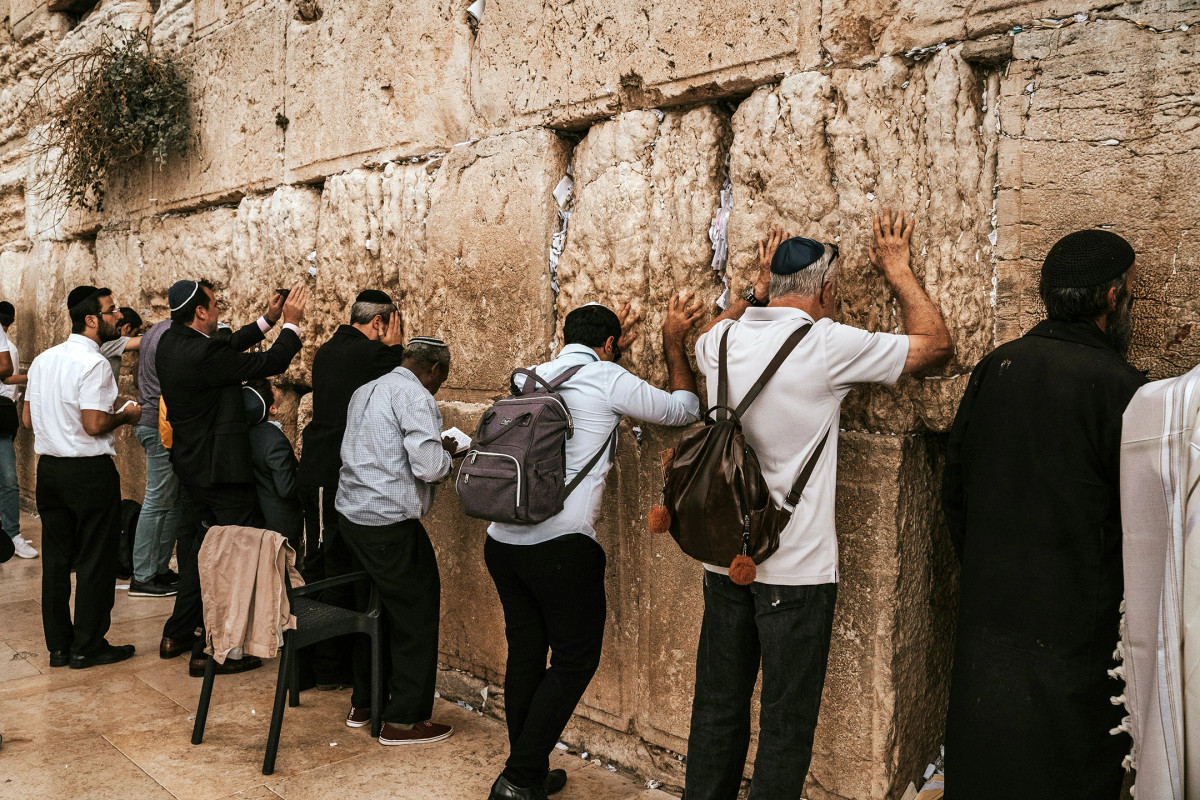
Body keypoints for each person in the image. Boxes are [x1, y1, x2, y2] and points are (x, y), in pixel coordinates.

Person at [684, 210, 952, 799]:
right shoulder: (826, 344)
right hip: (796, 569)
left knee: (717, 710)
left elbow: (707, 332)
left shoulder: (720, 342)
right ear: (828, 290)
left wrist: (751, 295)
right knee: (786, 723)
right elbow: (936, 346)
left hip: (723, 558)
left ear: (772, 285)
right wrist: (899, 271)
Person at [942, 229, 1146, 800]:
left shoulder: (996, 367)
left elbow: (954, 490)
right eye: (1131, 291)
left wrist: (985, 566)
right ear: (1110, 298)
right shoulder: (1125, 389)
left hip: (992, 609)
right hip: (1077, 623)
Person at [485, 296, 707, 800]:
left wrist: (608, 351)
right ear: (609, 344)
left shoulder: (529, 376)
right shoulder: (607, 378)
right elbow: (682, 409)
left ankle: (528, 771)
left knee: (526, 655)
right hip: (560, 547)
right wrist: (672, 339)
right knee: (574, 660)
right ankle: (519, 778)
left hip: (502, 541)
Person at [156, 278, 308, 678]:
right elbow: (271, 363)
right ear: (201, 312)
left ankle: (176, 633)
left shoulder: (171, 342)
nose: (220, 311)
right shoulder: (202, 355)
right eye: (215, 305)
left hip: (191, 469)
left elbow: (224, 346)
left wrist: (268, 320)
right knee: (232, 556)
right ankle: (210, 650)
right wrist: (291, 325)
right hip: (220, 473)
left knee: (195, 554)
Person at [335, 337, 456, 746]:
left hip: (352, 518)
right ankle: (404, 720)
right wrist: (448, 455)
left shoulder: (365, 390)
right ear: (434, 369)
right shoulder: (415, 395)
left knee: (371, 611)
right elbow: (428, 467)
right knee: (415, 615)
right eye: (442, 379)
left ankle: (365, 703)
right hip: (389, 525)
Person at [22, 286, 141, 669]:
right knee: (94, 557)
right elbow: (93, 424)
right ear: (91, 320)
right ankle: (88, 644)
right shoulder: (93, 364)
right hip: (88, 472)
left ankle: (59, 646)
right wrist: (125, 415)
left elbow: (27, 419)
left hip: (50, 471)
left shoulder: (43, 359)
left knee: (57, 560)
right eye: (111, 312)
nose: (117, 318)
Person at [295, 289, 404, 686]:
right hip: (327, 475)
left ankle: (326, 665)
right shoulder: (372, 354)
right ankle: (319, 668)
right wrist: (394, 348)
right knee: (323, 565)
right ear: (379, 322)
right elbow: (404, 378)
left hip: (328, 473)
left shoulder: (329, 349)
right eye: (392, 324)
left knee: (332, 564)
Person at [129, 314, 184, 598]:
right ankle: (142, 576)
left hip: (154, 423)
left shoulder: (156, 330)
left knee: (171, 502)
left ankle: (159, 570)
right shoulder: (172, 336)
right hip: (158, 424)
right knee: (157, 501)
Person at [243, 378, 303, 550]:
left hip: (259, 519)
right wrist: (299, 470)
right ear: (272, 408)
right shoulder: (275, 441)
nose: (276, 387)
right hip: (281, 525)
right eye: (273, 389)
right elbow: (286, 488)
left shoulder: (247, 433)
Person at [0, 301, 31, 558]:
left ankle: (12, 534)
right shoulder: (8, 345)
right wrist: (35, 376)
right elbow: (8, 378)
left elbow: (7, 378)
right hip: (6, 411)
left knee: (9, 478)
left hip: (3, 415)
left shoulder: (6, 344)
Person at [98, 307, 142, 382]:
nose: (136, 336)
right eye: (135, 333)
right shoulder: (113, 341)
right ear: (127, 328)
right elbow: (147, 340)